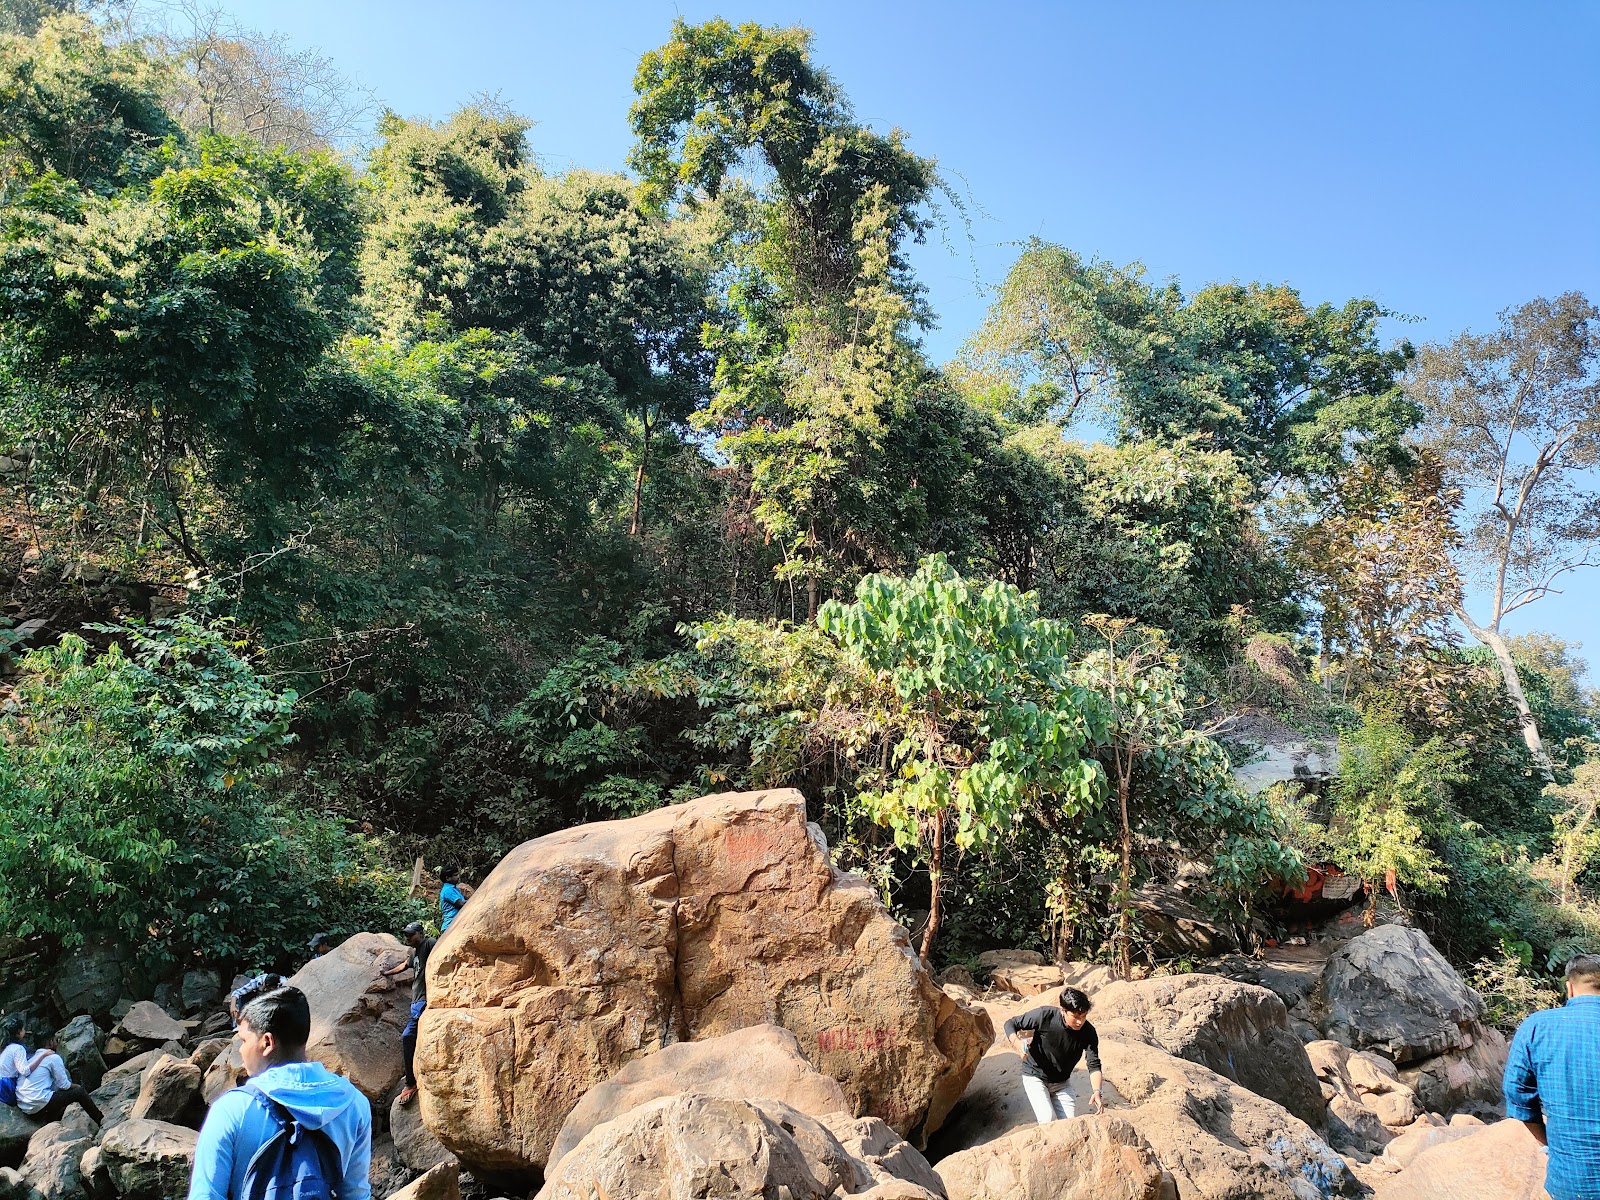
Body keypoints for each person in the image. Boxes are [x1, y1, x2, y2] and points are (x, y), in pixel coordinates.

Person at [188, 984, 371, 1200]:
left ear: (267, 1042)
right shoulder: (354, 1104)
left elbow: (206, 1195)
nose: (240, 1049)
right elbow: (355, 1194)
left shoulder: (231, 1110)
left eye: (244, 1040)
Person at [1504, 953, 1600, 1200]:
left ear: (1569, 987)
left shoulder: (1537, 1026)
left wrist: (1550, 1142)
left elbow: (1517, 1095)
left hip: (1572, 1181)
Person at [1002, 986, 1104, 1123]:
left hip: (1062, 1083)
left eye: (1084, 1016)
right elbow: (1011, 1023)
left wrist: (1097, 1091)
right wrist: (1017, 1043)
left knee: (1069, 1125)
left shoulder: (1088, 1032)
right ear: (1063, 1010)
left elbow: (1093, 1064)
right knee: (1047, 1119)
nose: (1080, 1021)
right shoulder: (1045, 1015)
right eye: (1075, 1016)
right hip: (1035, 1076)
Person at [379, 922, 434, 1105]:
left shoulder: (429, 944)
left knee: (408, 1036)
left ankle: (411, 1083)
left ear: (420, 933)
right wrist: (387, 973)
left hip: (425, 1000)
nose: (407, 938)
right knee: (411, 1038)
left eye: (410, 935)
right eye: (406, 935)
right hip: (415, 1002)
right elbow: (404, 965)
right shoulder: (413, 952)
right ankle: (413, 1079)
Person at [13, 1030, 104, 1124]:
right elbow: (64, 1085)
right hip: (37, 1102)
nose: (58, 1042)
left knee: (55, 1095)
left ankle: (51, 1121)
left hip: (25, 1106)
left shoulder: (30, 1060)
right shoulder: (53, 1057)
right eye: (56, 1040)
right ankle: (100, 1119)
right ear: (50, 1042)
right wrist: (77, 1086)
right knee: (79, 1092)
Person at [0, 1018, 50, 1107]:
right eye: (23, 1029)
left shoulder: (8, 1047)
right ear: (19, 1032)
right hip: (6, 1087)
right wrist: (43, 1055)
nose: (25, 1031)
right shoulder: (18, 1048)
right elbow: (25, 1071)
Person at [437, 869, 472, 933]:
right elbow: (461, 904)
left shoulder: (453, 889)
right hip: (451, 925)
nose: (458, 877)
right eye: (455, 875)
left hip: (455, 923)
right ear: (447, 878)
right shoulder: (448, 890)